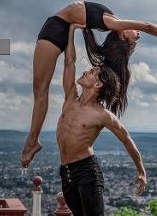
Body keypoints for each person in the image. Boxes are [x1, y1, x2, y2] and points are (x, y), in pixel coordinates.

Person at [22, 1, 157, 167]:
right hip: (60, 28)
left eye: (135, 38)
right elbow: (150, 27)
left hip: (55, 31)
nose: (139, 34)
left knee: (40, 91)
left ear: (124, 36)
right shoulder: (112, 21)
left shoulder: (113, 24)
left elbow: (149, 26)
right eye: (137, 36)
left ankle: (32, 142)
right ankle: (32, 141)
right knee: (40, 90)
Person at [57, 24, 146, 216]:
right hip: (66, 173)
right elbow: (69, 62)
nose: (85, 72)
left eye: (91, 73)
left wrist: (141, 171)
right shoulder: (70, 98)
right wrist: (71, 30)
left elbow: (126, 138)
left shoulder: (101, 114)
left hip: (87, 172)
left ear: (97, 84)